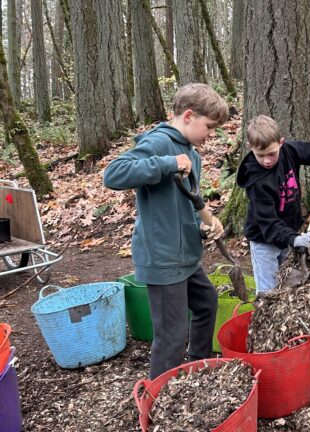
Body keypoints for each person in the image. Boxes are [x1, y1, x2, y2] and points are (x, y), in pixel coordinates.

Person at [103, 83, 229, 379]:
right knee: (171, 336)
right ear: (188, 116)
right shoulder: (159, 143)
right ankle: (160, 397)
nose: (211, 135)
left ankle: (196, 368)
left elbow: (184, 205)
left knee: (206, 302)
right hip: (162, 259)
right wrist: (166, 163)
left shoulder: (191, 152)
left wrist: (203, 226)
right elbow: (114, 173)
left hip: (184, 255)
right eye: (209, 127)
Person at [236, 115, 310, 293]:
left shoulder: (290, 150)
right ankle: (266, 319)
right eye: (260, 155)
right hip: (264, 241)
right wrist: (294, 239)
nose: (267, 160)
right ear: (250, 147)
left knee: (290, 288)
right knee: (268, 292)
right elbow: (268, 223)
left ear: (281, 143)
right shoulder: (256, 180)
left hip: (289, 231)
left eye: (272, 153)